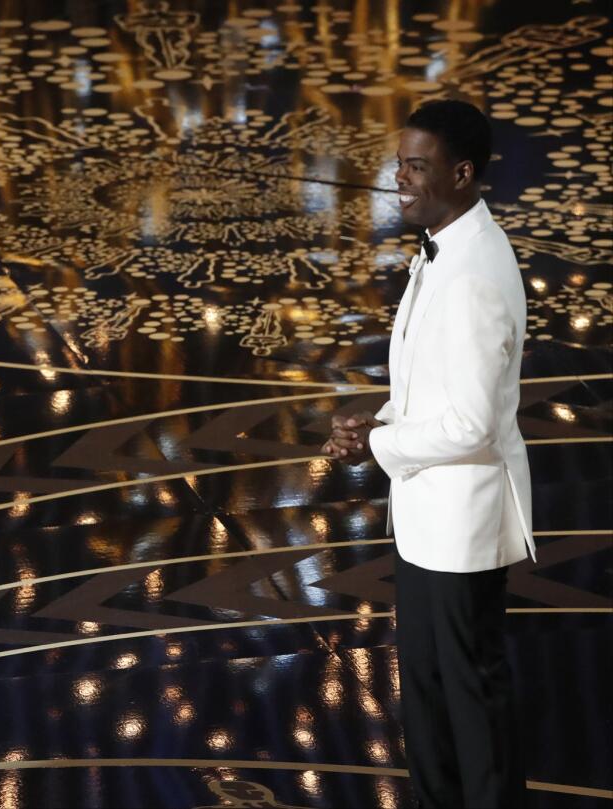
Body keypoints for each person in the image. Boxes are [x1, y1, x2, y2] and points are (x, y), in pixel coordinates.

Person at [323, 99, 533, 808]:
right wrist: (377, 416)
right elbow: (434, 382)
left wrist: (381, 443)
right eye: (400, 163)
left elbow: (472, 421)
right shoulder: (444, 244)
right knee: (431, 700)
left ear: (463, 172)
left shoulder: (473, 271)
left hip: (461, 528)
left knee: (470, 706)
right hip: (428, 521)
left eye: (417, 166)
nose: (399, 179)